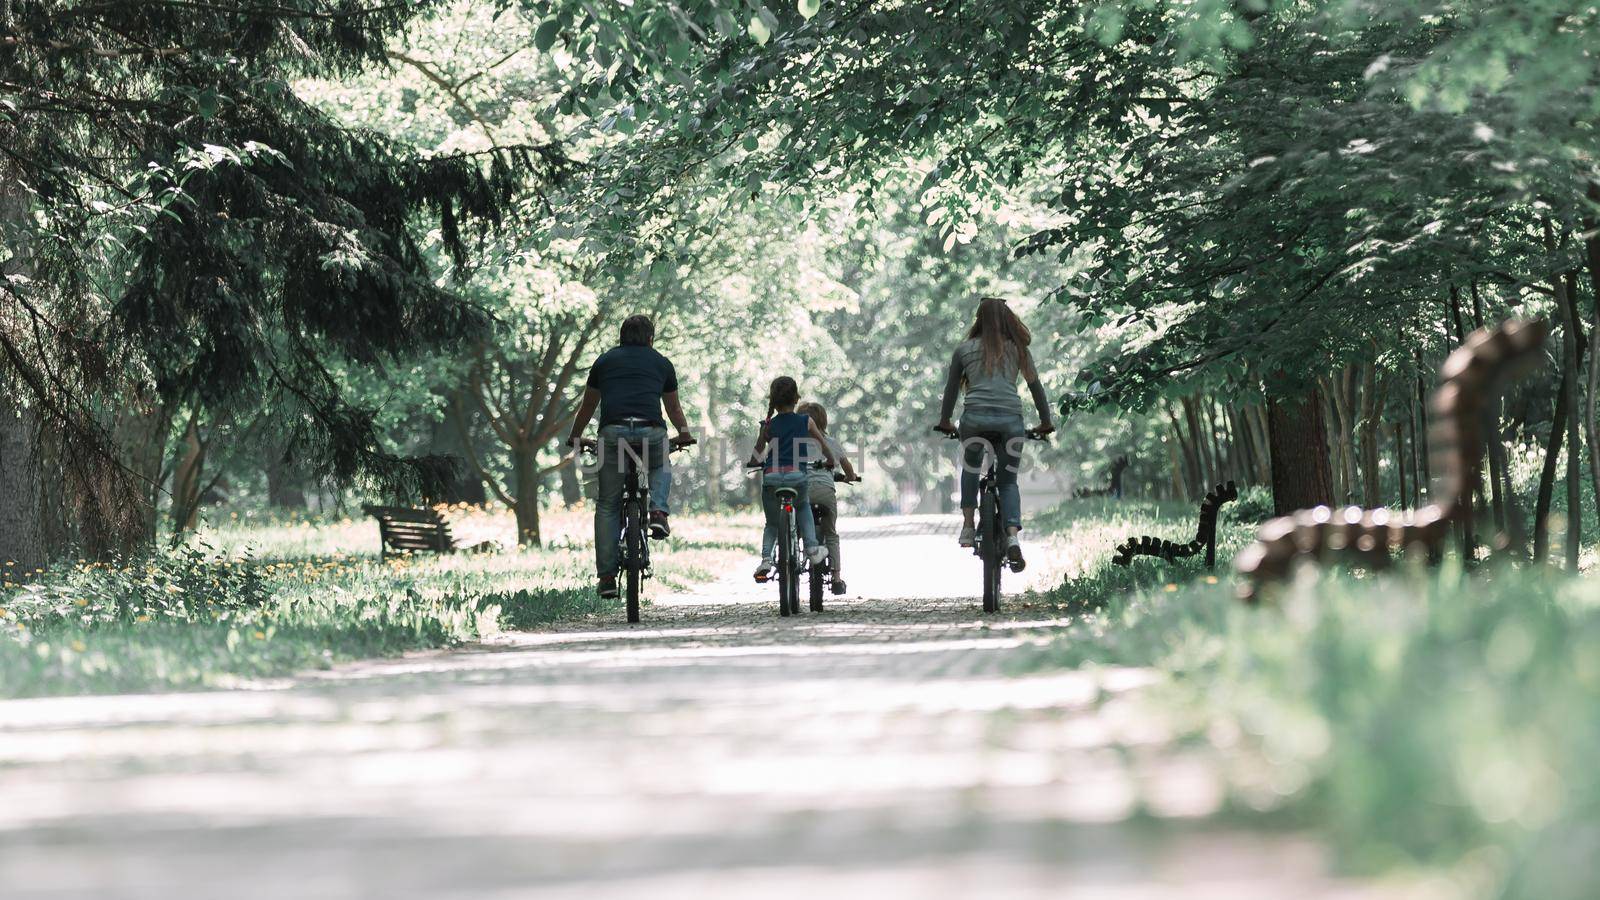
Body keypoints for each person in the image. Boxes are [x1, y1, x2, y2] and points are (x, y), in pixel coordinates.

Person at [567, 315, 694, 599]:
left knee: (608, 505)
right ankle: (658, 511)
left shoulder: (604, 361)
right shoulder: (662, 362)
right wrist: (684, 434)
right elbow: (674, 410)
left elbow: (588, 407)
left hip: (613, 434)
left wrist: (576, 436)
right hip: (650, 432)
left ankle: (607, 577)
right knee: (660, 462)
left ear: (621, 336)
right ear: (651, 338)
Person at [933, 297, 1055, 571]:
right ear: (1007, 319)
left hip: (974, 421)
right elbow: (1036, 388)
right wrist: (1045, 422)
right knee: (1008, 481)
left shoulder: (964, 350)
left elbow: (952, 389)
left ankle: (967, 526)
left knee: (971, 468)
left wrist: (945, 421)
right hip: (1011, 422)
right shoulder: (1018, 350)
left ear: (978, 319)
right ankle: (1012, 538)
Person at [748, 376, 834, 581]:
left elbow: (757, 452)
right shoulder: (806, 421)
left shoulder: (768, 424)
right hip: (797, 477)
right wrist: (830, 460)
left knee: (771, 524)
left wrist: (753, 462)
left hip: (772, 478)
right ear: (796, 399)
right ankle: (812, 548)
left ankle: (766, 559)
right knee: (803, 506)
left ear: (773, 401)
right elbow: (822, 444)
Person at [797, 401, 858, 594]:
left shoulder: (794, 443)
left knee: (797, 529)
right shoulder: (830, 442)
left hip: (802, 491)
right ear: (823, 422)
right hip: (825, 492)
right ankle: (837, 577)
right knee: (831, 532)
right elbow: (848, 469)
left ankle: (793, 560)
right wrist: (850, 477)